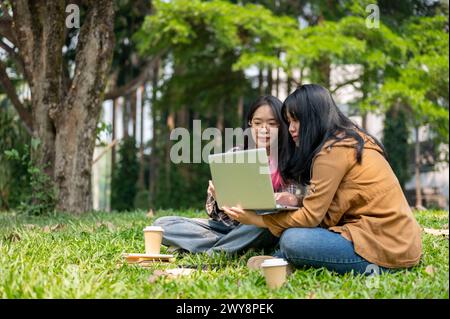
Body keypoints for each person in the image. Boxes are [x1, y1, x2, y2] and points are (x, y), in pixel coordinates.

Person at [222, 84, 422, 274]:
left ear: (313, 118)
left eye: (296, 120)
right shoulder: (346, 139)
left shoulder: (332, 152)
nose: (291, 128)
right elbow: (331, 197)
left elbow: (310, 217)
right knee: (293, 236)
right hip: (397, 241)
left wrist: (257, 220)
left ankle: (285, 259)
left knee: (293, 239)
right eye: (289, 121)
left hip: (384, 246)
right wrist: (297, 199)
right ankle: (284, 261)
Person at [153, 96, 303, 254]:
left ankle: (214, 251)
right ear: (250, 124)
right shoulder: (236, 154)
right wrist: (219, 197)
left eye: (272, 124)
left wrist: (291, 199)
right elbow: (217, 217)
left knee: (268, 221)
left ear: (282, 125)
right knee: (161, 225)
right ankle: (235, 247)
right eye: (258, 123)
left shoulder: (294, 159)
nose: (263, 129)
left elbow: (299, 208)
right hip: (231, 229)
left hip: (265, 227)